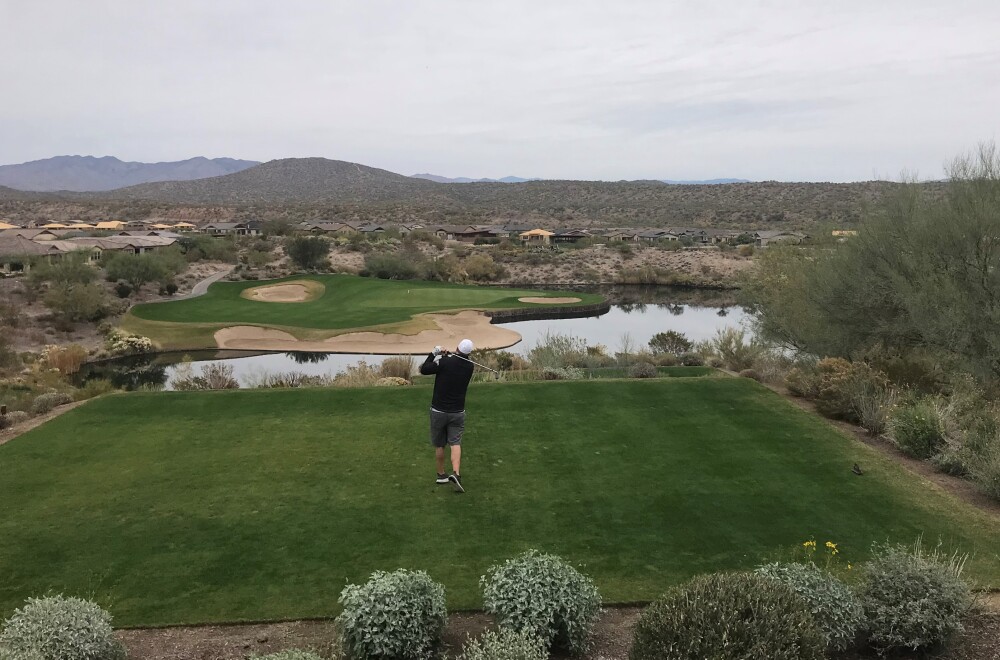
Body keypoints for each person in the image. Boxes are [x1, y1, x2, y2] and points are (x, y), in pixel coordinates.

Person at [419, 338, 475, 492]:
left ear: (457, 347)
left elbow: (424, 369)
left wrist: (435, 353)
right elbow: (454, 367)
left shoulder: (445, 363)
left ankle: (442, 474)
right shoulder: (470, 366)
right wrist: (445, 358)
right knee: (455, 442)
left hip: (438, 411)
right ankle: (456, 474)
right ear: (469, 353)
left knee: (439, 444)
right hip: (457, 412)